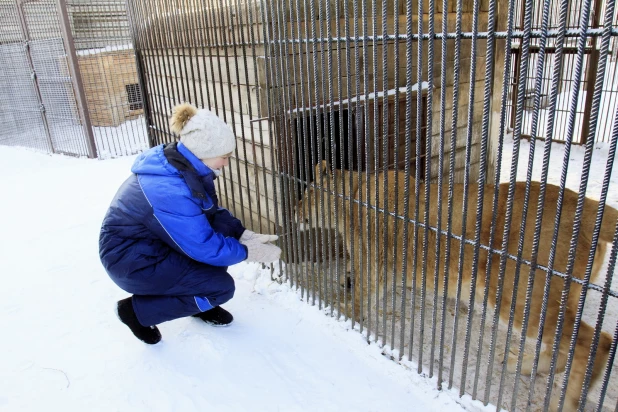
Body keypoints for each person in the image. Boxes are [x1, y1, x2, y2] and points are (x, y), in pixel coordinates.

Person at [99, 103, 281, 344]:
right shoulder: (169, 189)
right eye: (225, 157)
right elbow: (203, 246)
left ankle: (195, 300)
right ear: (205, 151)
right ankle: (135, 312)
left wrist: (241, 233)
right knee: (220, 287)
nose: (226, 163)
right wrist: (248, 252)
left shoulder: (184, 168)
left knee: (220, 245)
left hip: (150, 247)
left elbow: (209, 214)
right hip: (131, 262)